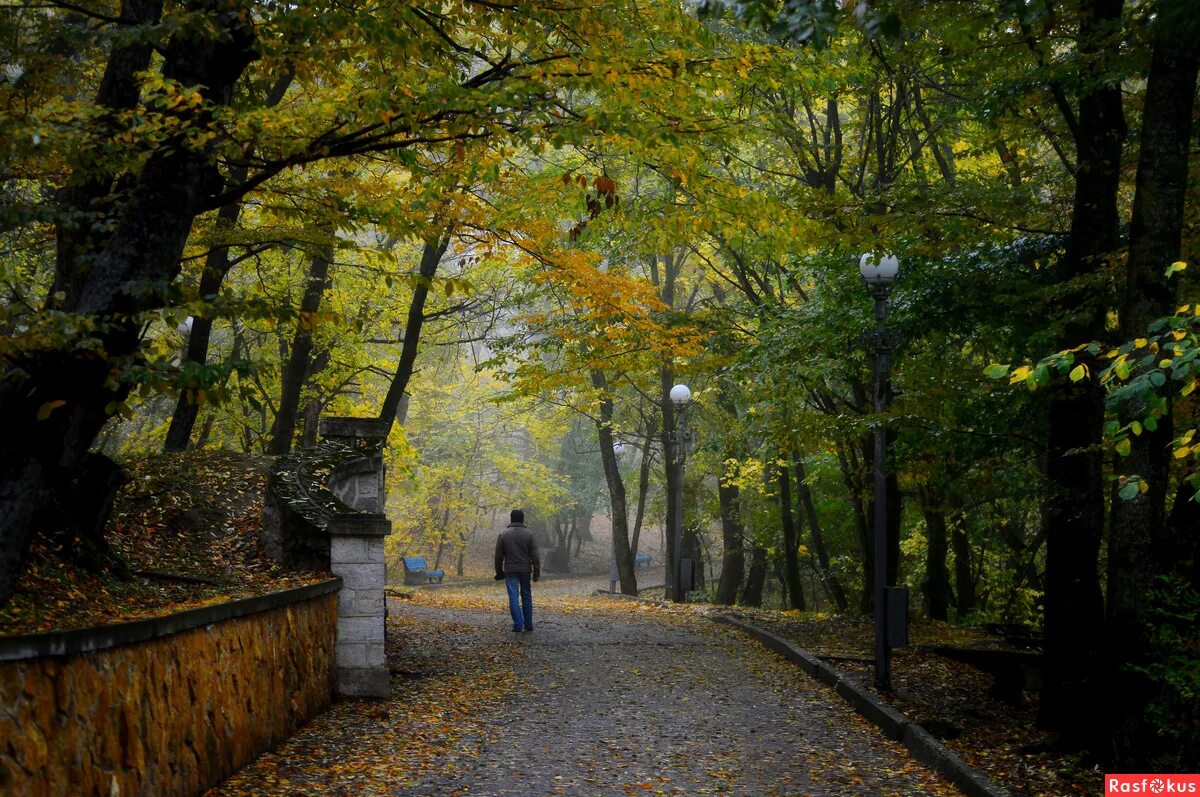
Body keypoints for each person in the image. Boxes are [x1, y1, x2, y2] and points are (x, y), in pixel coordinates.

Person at [494, 509, 540, 632]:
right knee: (526, 595)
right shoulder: (529, 534)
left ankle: (518, 625)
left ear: (511, 518)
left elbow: (498, 557)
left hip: (510, 570)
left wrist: (499, 572)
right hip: (525, 569)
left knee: (513, 597)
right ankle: (528, 625)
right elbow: (535, 555)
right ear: (523, 519)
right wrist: (536, 572)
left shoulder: (503, 534)